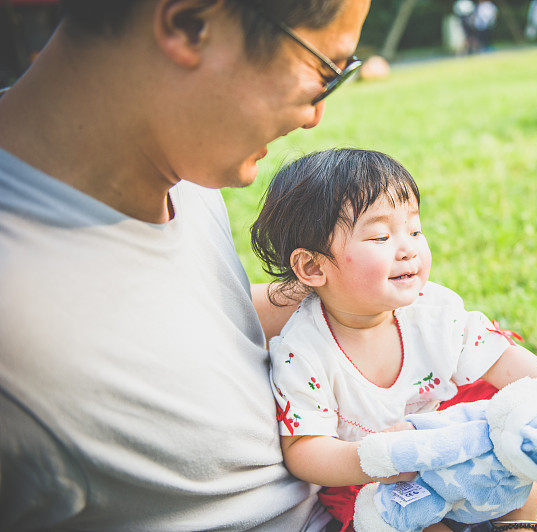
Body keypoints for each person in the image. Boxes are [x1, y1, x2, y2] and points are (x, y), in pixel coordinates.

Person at [0, 0, 370, 529]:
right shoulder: (17, 331)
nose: (316, 115)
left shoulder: (178, 171)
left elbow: (190, 332)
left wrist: (355, 297)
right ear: (190, 25)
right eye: (326, 71)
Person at [250, 148, 537, 532]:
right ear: (311, 267)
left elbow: (507, 361)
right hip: (388, 492)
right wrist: (385, 458)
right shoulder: (302, 352)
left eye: (414, 230)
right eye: (381, 236)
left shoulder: (433, 310)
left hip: (478, 460)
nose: (408, 249)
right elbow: (305, 452)